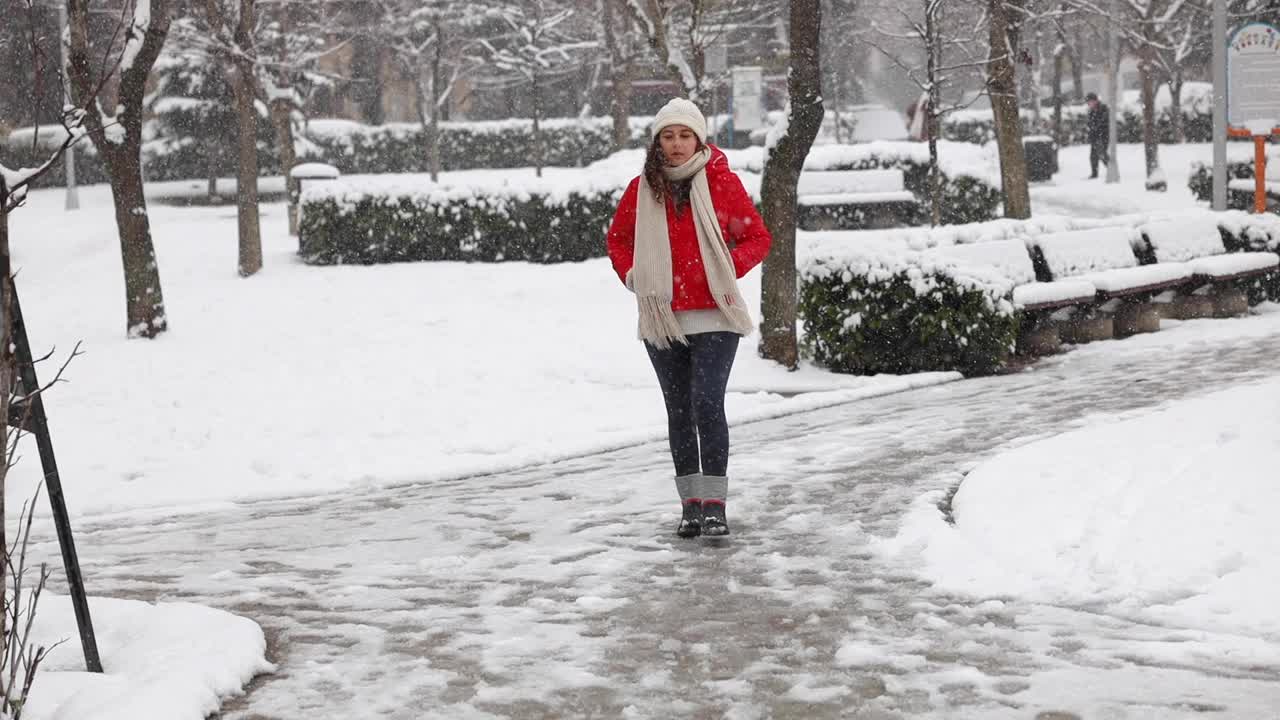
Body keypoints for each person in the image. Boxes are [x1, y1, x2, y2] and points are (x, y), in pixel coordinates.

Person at [605, 98, 771, 539]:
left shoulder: (720, 183)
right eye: (668, 135)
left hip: (715, 315)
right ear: (657, 141)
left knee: (705, 403)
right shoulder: (641, 189)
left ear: (699, 139)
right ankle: (691, 507)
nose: (677, 145)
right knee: (678, 412)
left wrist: (725, 266)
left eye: (685, 135)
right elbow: (618, 240)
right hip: (663, 318)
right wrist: (632, 275)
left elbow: (758, 236)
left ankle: (715, 504)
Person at [1086, 92, 1110, 179]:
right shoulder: (1091, 111)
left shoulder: (1103, 108)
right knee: (1093, 156)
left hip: (1103, 135)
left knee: (1102, 154)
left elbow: (1104, 122)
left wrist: (1096, 128)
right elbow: (1090, 123)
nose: (1089, 104)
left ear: (1095, 101)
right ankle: (1094, 173)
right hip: (1095, 136)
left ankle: (1111, 169)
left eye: (1090, 101)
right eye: (1088, 102)